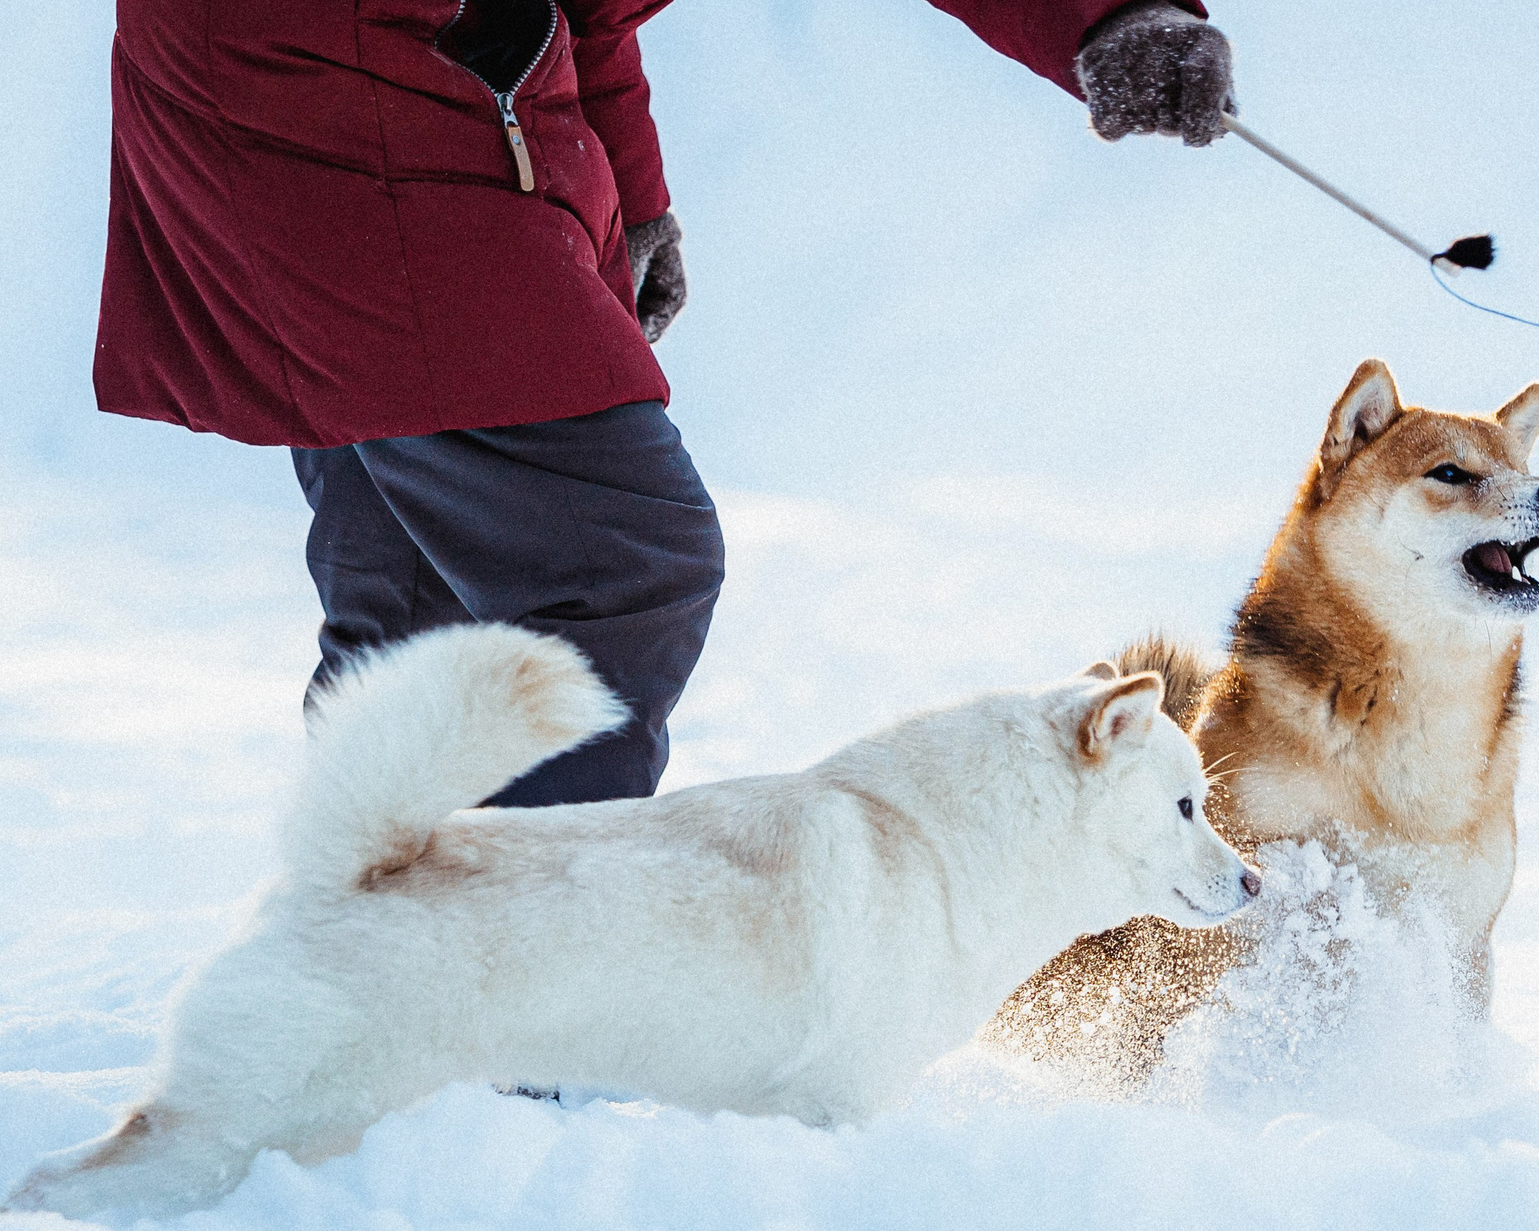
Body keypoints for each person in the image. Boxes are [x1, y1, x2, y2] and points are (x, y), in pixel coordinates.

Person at [93, 0, 1236, 806]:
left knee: (422, 593)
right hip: (323, 86)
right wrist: (1107, 13)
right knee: (621, 566)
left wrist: (626, 201)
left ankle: (365, 990)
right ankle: (517, 1016)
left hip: (367, 71)